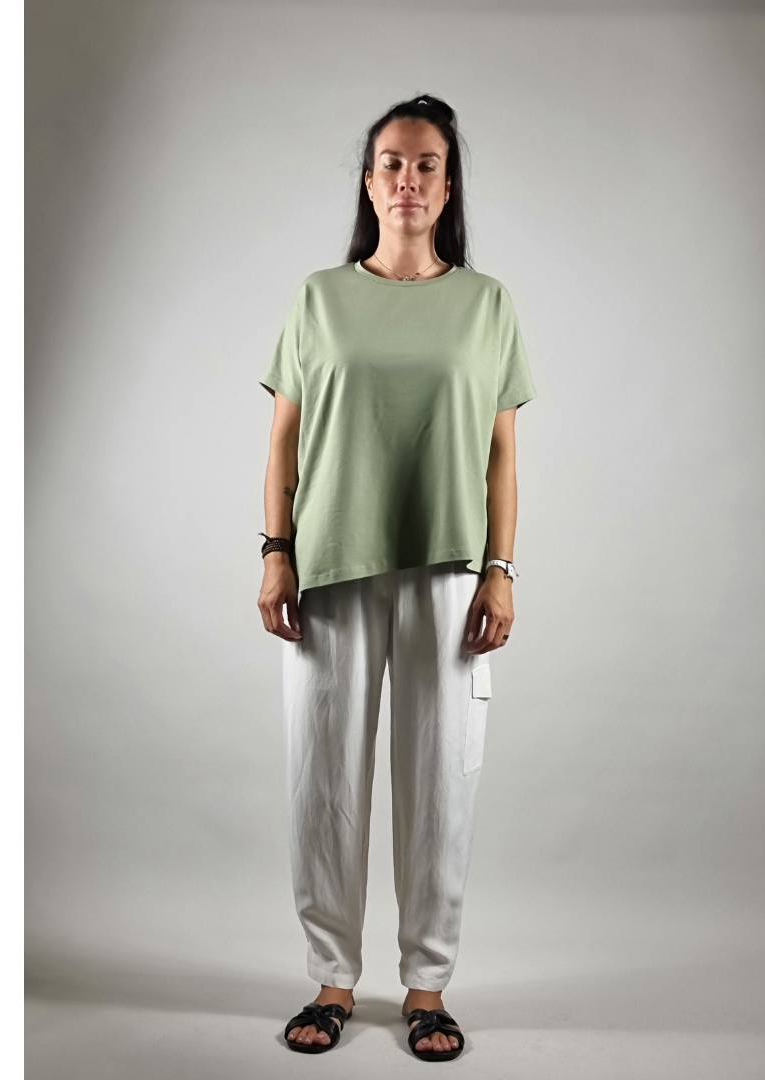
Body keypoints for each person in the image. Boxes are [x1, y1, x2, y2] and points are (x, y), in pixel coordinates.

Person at [257, 94, 536, 1062]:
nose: (408, 179)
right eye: (391, 163)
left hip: (448, 568)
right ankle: (333, 977)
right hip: (331, 566)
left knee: (441, 783)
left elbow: (503, 455)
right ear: (369, 182)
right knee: (323, 779)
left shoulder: (488, 304)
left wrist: (501, 570)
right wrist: (276, 550)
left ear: (447, 187)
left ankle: (427, 986)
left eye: (426, 165)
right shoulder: (318, 298)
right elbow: (282, 440)